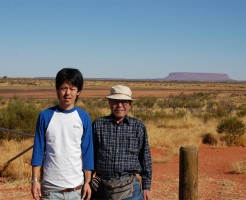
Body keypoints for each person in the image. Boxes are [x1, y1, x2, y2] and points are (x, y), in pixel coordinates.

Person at [31, 68, 94, 200]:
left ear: (78, 92)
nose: (67, 93)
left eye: (72, 88)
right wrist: (35, 180)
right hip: (50, 190)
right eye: (63, 88)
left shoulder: (83, 117)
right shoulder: (45, 116)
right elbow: (38, 150)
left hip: (76, 189)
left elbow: (87, 152)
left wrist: (88, 182)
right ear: (57, 90)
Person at [92, 85, 152, 200]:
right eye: (115, 101)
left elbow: (145, 157)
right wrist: (88, 182)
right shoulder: (98, 125)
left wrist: (146, 187)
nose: (119, 106)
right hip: (102, 188)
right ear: (109, 103)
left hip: (131, 189)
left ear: (130, 104)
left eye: (124, 102)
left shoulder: (138, 126)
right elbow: (90, 156)